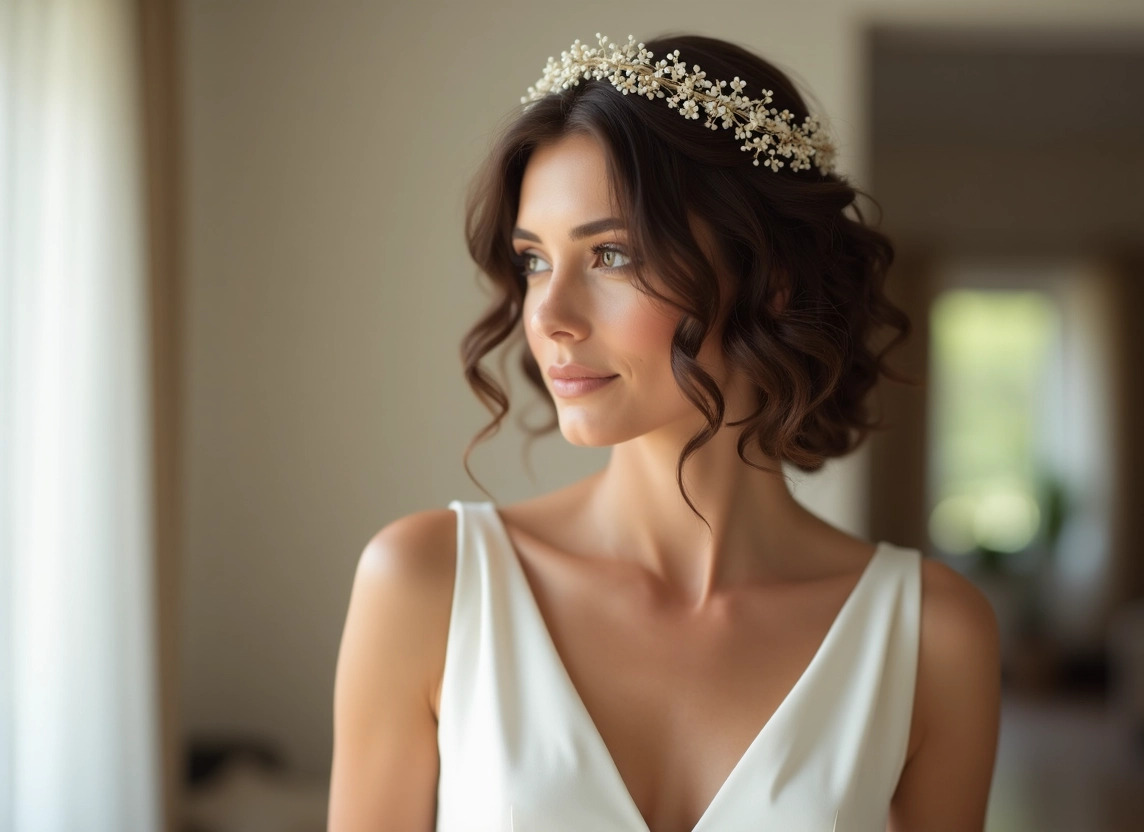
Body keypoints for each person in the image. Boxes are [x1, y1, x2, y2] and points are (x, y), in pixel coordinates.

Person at [328, 31, 1001, 832]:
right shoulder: (425, 585)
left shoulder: (932, 636)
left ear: (769, 278)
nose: (547, 317)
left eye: (611, 255)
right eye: (535, 260)